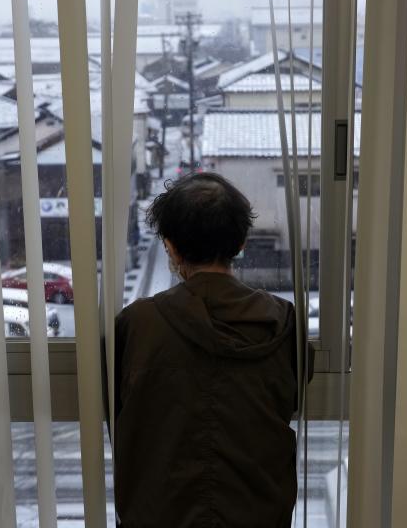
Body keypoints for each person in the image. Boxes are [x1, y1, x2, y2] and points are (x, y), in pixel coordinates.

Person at [114, 172, 309, 527]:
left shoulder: (138, 324)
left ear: (170, 246)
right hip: (259, 514)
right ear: (239, 244)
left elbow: (119, 413)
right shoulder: (282, 323)